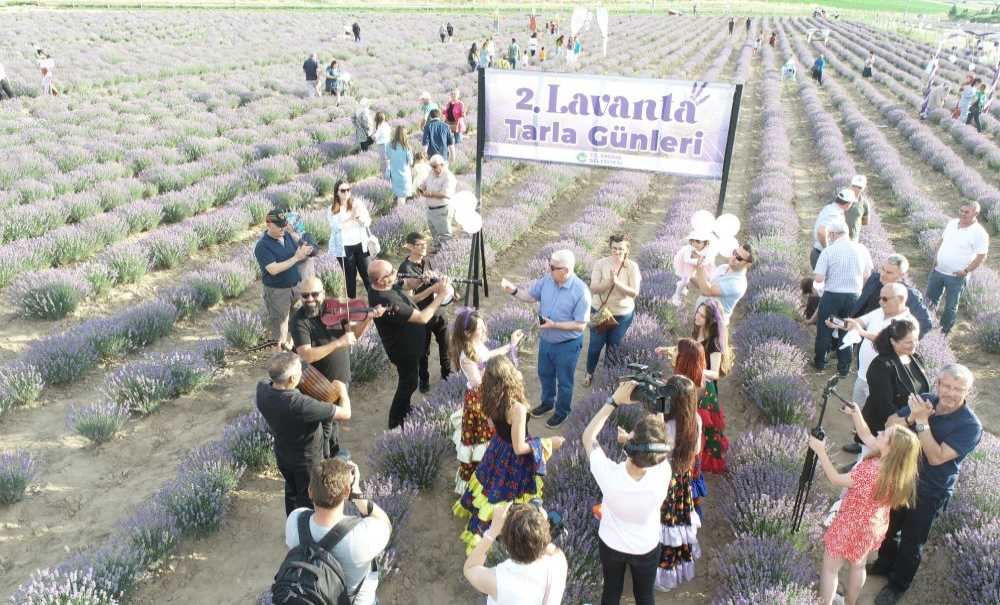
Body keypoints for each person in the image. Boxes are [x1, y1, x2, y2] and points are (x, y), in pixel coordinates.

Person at [874, 364, 983, 604]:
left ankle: (898, 584)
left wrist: (922, 421)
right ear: (938, 384)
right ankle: (883, 564)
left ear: (967, 392)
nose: (951, 393)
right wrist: (912, 416)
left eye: (959, 389)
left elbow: (936, 457)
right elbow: (890, 425)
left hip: (931, 490)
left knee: (913, 540)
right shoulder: (924, 400)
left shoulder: (970, 426)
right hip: (902, 479)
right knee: (889, 526)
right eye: (947, 386)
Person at [807, 406, 920, 605]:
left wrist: (820, 451)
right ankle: (851, 602)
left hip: (850, 522)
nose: (881, 432)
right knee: (858, 565)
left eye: (885, 434)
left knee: (830, 567)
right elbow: (866, 435)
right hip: (872, 525)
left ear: (890, 448)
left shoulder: (871, 472)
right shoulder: (895, 468)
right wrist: (856, 414)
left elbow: (834, 478)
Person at [456, 356, 563, 553]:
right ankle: (511, 532)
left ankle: (485, 529)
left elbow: (490, 425)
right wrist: (549, 443)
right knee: (510, 495)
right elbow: (519, 448)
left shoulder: (486, 396)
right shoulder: (517, 408)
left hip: (497, 448)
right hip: (513, 459)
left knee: (491, 490)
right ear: (510, 377)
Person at [584, 380, 673, 605]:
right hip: (646, 545)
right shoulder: (663, 472)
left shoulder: (610, 474)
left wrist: (613, 402)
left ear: (631, 446)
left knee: (611, 593)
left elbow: (588, 437)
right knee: (645, 596)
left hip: (611, 543)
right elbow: (657, 446)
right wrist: (658, 403)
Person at [291, 276, 380, 458]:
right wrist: (339, 342)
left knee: (335, 421)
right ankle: (326, 461)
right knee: (323, 426)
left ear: (323, 293)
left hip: (340, 378)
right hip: (317, 383)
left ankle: (335, 451)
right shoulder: (299, 321)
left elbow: (353, 335)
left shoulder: (336, 309)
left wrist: (367, 319)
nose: (309, 299)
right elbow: (305, 354)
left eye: (314, 294)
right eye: (305, 295)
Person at [502, 249, 591, 429]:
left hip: (567, 344)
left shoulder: (581, 291)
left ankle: (562, 411)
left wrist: (555, 325)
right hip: (546, 341)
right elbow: (530, 296)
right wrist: (514, 290)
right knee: (545, 374)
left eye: (553, 267)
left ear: (566, 270)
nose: (549, 270)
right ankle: (547, 402)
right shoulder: (547, 281)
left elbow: (581, 325)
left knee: (564, 381)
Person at [283, 458, 391, 605]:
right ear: (346, 492)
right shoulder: (361, 536)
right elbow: (385, 522)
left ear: (310, 492)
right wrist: (357, 492)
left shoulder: (295, 520)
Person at [256, 352, 350, 516]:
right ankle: (304, 532)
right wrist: (343, 391)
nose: (303, 374)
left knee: (291, 491)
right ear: (292, 379)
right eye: (300, 371)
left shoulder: (262, 389)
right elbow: (345, 414)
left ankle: (291, 521)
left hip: (283, 454)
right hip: (306, 462)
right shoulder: (301, 405)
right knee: (308, 498)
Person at [449, 308, 524, 494]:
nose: (484, 331)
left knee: (490, 435)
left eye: (484, 327)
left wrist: (510, 345)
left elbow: (489, 356)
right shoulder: (466, 356)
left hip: (486, 393)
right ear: (468, 333)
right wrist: (502, 376)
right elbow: (478, 383)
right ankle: (480, 480)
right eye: (480, 329)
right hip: (479, 399)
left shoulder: (478, 345)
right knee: (483, 437)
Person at [367, 260, 450, 428]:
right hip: (403, 350)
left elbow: (407, 290)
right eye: (390, 272)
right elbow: (422, 317)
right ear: (381, 281)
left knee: (409, 381)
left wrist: (425, 283)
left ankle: (405, 409)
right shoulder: (386, 300)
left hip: (409, 346)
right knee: (409, 383)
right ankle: (395, 421)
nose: (395, 272)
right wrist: (441, 295)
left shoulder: (383, 285)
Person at [838, 283, 919, 441]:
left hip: (882, 379)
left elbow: (888, 342)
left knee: (876, 416)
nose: (881, 302)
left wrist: (862, 333)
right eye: (880, 298)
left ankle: (871, 447)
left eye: (885, 299)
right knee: (859, 412)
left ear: (901, 299)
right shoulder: (880, 312)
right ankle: (859, 441)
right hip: (863, 374)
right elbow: (860, 321)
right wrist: (843, 323)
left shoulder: (908, 324)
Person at [649, 371, 703, 591]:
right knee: (678, 522)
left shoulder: (667, 425)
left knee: (661, 523)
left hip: (664, 480)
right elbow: (697, 450)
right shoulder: (696, 420)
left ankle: (658, 572)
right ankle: (676, 566)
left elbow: (656, 451)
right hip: (682, 481)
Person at [463, 500, 568, 604]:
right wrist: (539, 524)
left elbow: (470, 568)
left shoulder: (500, 581)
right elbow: (544, 545)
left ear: (507, 546)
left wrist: (493, 530)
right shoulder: (559, 559)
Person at [857, 320, 928, 456]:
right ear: (893, 342)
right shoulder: (881, 365)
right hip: (882, 431)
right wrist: (906, 422)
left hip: (906, 429)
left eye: (916, 340)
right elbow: (884, 405)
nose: (914, 345)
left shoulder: (916, 358)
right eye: (908, 342)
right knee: (869, 470)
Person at [813, 217, 874, 375]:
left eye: (829, 235)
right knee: (847, 329)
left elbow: (818, 278)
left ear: (833, 235)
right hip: (854, 297)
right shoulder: (861, 249)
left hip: (832, 296)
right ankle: (844, 368)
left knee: (825, 329)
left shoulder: (829, 251)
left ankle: (820, 363)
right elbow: (868, 274)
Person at [585, 234, 641, 386]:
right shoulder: (601, 264)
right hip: (601, 311)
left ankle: (607, 377)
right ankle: (589, 373)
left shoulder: (632, 267)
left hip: (622, 314)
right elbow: (594, 288)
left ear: (627, 250)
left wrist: (617, 284)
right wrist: (609, 282)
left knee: (613, 346)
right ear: (610, 248)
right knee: (596, 345)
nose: (617, 252)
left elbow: (634, 292)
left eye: (620, 249)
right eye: (614, 249)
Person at [399, 232, 451, 393]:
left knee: (445, 346)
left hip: (439, 311)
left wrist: (445, 287)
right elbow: (411, 300)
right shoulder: (405, 269)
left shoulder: (426, 261)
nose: (424, 248)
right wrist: (432, 290)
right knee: (423, 352)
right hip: (422, 315)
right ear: (410, 247)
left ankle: (447, 376)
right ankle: (424, 381)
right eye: (420, 245)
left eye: (425, 245)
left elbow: (436, 282)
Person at [926, 202, 989, 334]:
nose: (962, 214)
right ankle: (926, 327)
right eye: (961, 210)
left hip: (957, 276)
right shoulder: (952, 223)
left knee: (950, 307)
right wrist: (935, 260)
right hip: (938, 271)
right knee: (929, 301)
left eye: (967, 212)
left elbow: (981, 256)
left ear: (976, 214)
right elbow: (942, 241)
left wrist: (966, 271)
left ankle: (943, 333)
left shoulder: (980, 233)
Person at [255, 209, 314, 351]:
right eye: (279, 225)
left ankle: (293, 350)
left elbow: (299, 253)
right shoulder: (262, 246)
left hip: (296, 288)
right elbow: (273, 269)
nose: (283, 228)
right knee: (280, 328)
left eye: (284, 224)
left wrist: (305, 250)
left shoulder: (287, 236)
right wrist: (296, 258)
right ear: (269, 224)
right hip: (278, 292)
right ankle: (280, 361)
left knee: (298, 322)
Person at [849, 254, 933, 338]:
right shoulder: (874, 279)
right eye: (883, 269)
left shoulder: (909, 294)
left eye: (889, 272)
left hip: (883, 345)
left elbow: (926, 323)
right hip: (862, 337)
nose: (883, 274)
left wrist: (899, 341)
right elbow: (862, 305)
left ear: (902, 275)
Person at [326, 179, 373, 299]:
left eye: (348, 190)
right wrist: (352, 218)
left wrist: (359, 218)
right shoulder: (332, 209)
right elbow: (337, 228)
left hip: (361, 245)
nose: (346, 193)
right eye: (343, 190)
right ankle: (352, 306)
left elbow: (367, 222)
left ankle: (374, 300)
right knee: (350, 278)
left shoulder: (358, 203)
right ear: (337, 192)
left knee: (368, 276)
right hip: (344, 248)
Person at [690, 242, 753, 324]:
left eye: (739, 258)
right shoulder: (724, 267)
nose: (733, 257)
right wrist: (688, 275)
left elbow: (708, 291)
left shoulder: (737, 284)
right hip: (702, 319)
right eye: (734, 253)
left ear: (747, 264)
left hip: (713, 326)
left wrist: (699, 265)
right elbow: (705, 284)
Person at [416, 155, 457, 252]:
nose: (433, 169)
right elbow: (424, 183)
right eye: (432, 166)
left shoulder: (448, 176)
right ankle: (437, 250)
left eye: (435, 167)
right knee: (434, 232)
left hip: (442, 209)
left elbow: (445, 194)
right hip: (431, 209)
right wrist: (420, 189)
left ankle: (447, 253)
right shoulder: (431, 173)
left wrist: (430, 194)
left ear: (442, 165)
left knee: (444, 234)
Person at [811, 188, 856, 269]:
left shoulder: (830, 208)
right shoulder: (834, 214)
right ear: (848, 204)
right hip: (822, 256)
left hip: (819, 254)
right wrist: (827, 251)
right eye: (852, 203)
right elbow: (821, 232)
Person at [671, 228, 715, 307]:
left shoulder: (708, 249)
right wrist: (697, 260)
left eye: (698, 241)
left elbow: (709, 258)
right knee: (686, 279)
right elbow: (686, 259)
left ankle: (685, 287)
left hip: (700, 265)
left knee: (703, 278)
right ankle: (676, 295)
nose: (695, 243)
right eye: (693, 241)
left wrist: (703, 261)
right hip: (687, 264)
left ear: (705, 243)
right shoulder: (689, 248)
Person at [386, 125, 414, 206]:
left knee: (397, 195)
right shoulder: (406, 147)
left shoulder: (389, 145)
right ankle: (399, 216)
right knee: (402, 197)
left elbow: (388, 156)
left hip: (394, 173)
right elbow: (411, 162)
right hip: (404, 175)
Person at [845, 175, 870, 243]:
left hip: (853, 239)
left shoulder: (864, 203)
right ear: (850, 185)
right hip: (838, 236)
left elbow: (865, 221)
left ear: (863, 188)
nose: (856, 189)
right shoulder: (841, 198)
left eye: (859, 187)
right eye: (854, 186)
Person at [372, 111, 391, 176]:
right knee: (387, 161)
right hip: (387, 143)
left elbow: (375, 136)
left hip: (383, 145)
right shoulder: (386, 124)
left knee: (384, 162)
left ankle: (385, 176)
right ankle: (386, 175)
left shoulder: (381, 126)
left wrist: (370, 137)